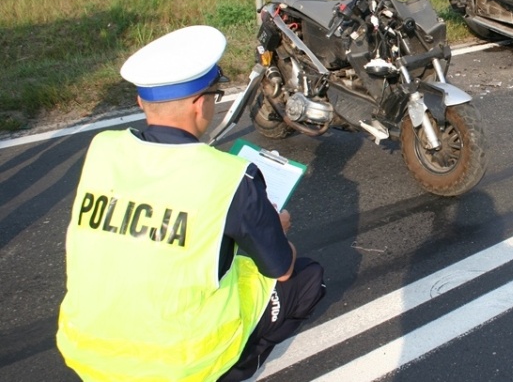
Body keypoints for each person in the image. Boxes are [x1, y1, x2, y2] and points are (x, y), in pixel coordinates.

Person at [56, 25, 326, 381]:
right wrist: (277, 228)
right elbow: (281, 268)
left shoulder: (102, 149)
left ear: (141, 101)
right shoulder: (230, 176)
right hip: (182, 363)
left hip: (86, 350)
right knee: (307, 278)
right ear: (201, 104)